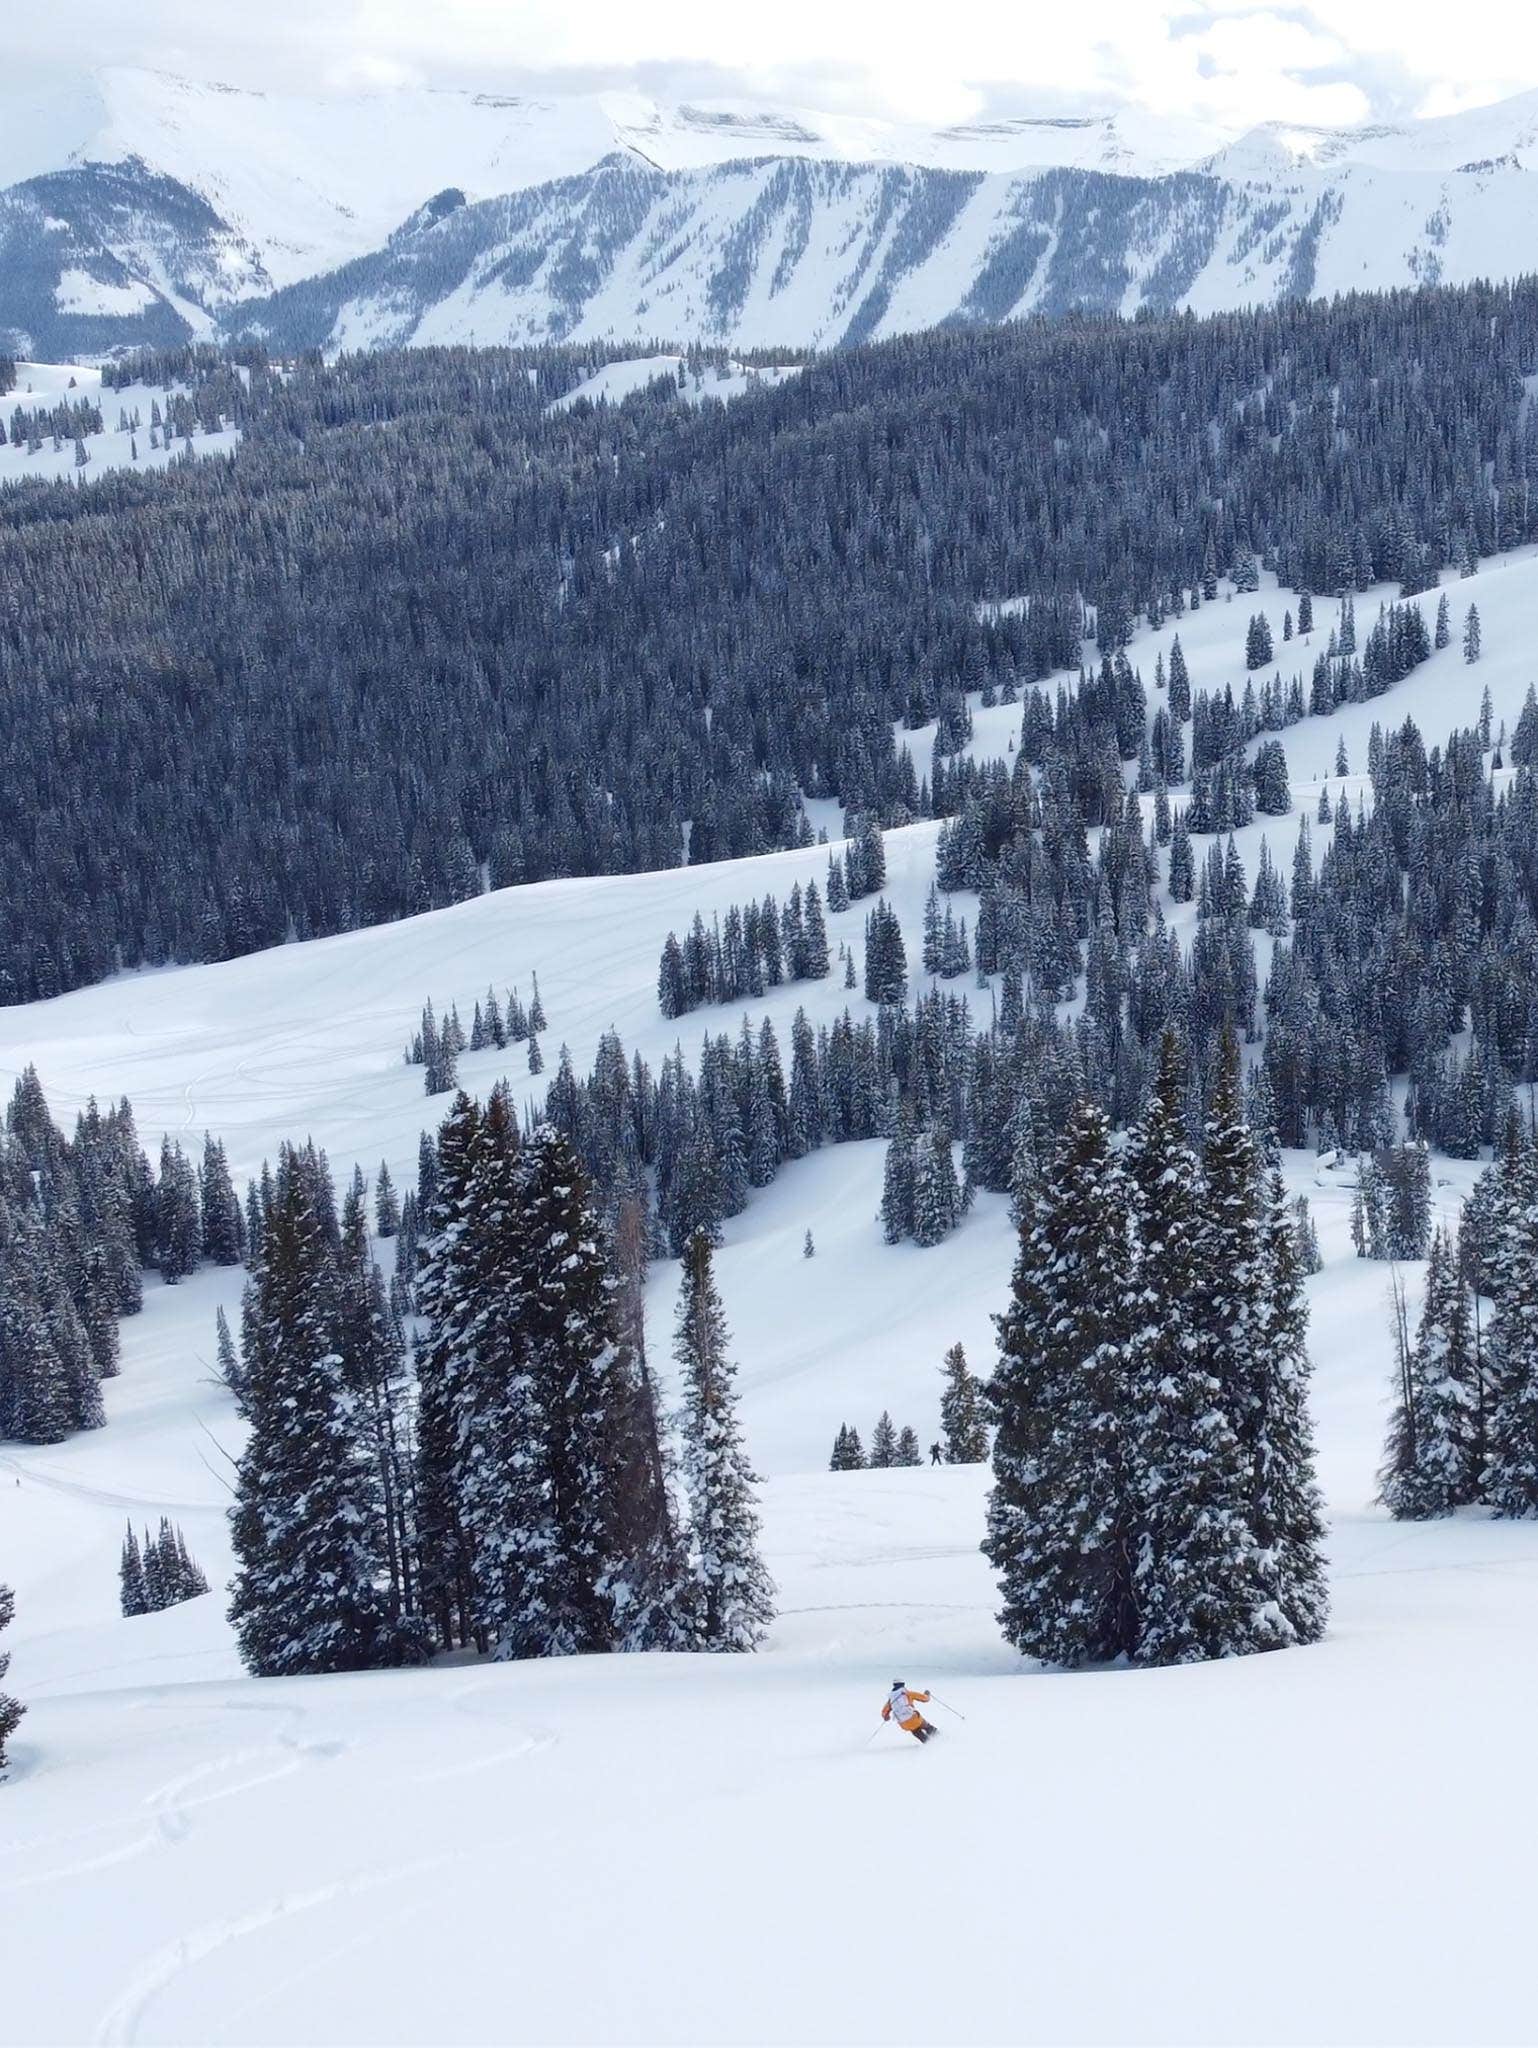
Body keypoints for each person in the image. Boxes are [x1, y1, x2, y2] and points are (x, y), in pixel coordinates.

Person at [882, 1679, 938, 1744]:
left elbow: (884, 1712)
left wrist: (886, 1716)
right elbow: (925, 1699)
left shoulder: (891, 1699)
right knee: (926, 1726)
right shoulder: (908, 1694)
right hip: (914, 1718)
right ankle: (940, 1737)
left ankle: (928, 1744)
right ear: (903, 1685)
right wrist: (927, 1694)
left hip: (903, 1723)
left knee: (915, 1731)